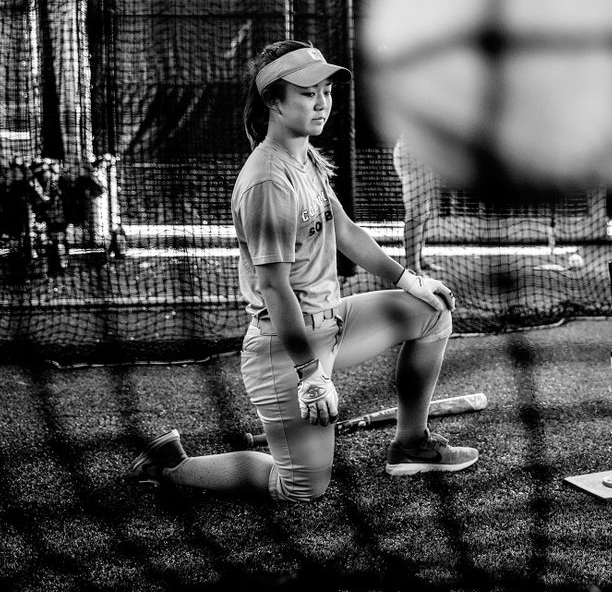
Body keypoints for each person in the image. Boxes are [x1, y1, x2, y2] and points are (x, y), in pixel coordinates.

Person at [129, 40, 477, 502]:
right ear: (273, 100)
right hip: (285, 350)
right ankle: (172, 466)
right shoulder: (268, 180)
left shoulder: (304, 156)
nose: (322, 103)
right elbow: (273, 287)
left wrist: (409, 280)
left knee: (430, 312)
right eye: (307, 93)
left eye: (326, 92)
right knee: (302, 487)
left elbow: (347, 230)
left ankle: (410, 444)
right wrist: (311, 374)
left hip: (331, 321)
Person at [392, 134, 439, 275]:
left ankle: (419, 259)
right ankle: (413, 268)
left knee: (424, 212)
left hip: (423, 153)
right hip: (414, 154)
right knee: (416, 213)